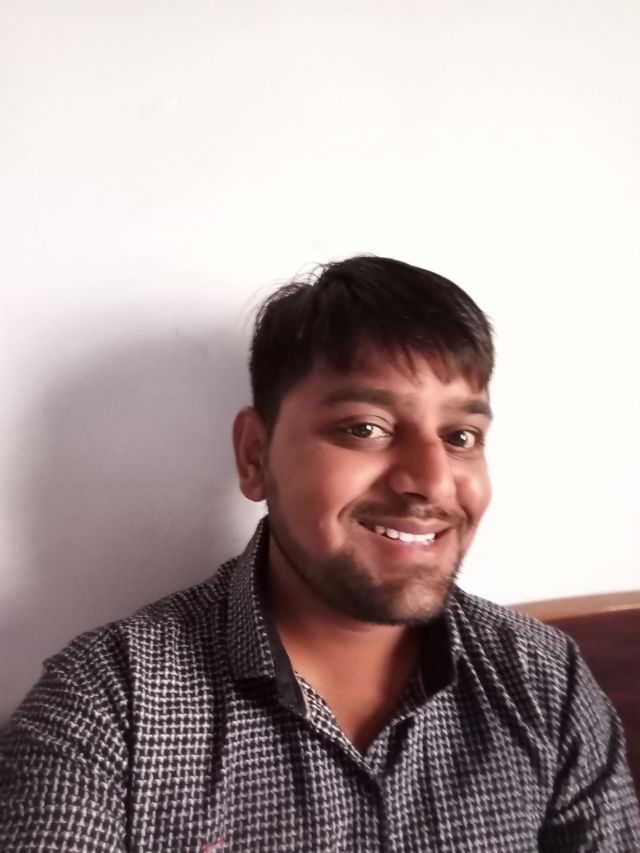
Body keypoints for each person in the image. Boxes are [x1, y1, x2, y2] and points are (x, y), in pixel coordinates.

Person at [1, 256, 638, 851]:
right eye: (366, 428)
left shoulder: (542, 679)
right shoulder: (111, 704)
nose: (433, 482)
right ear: (255, 456)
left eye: (461, 437)